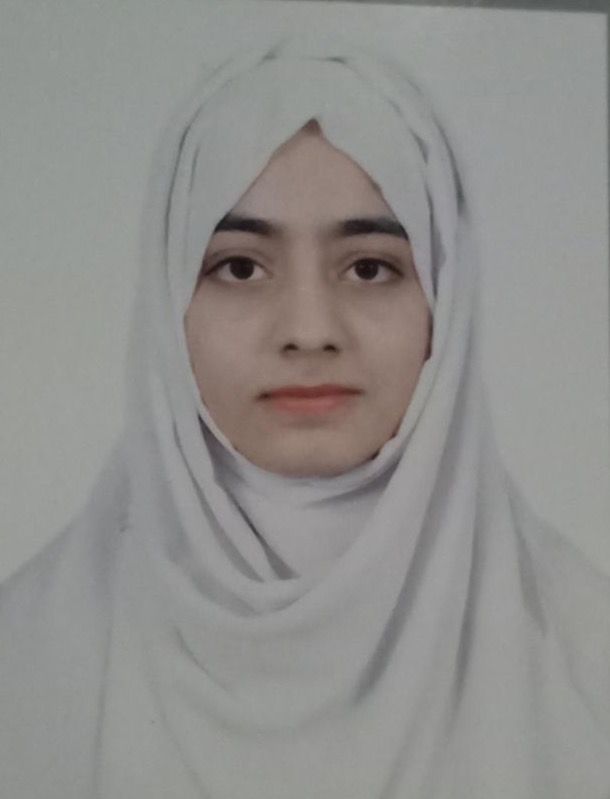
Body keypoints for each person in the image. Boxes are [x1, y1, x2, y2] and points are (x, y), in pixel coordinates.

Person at [1, 37, 609, 799]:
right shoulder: (22, 659)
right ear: (168, 304)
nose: (310, 330)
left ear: (444, 308)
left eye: (370, 268)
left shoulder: (588, 656)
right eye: (240, 267)